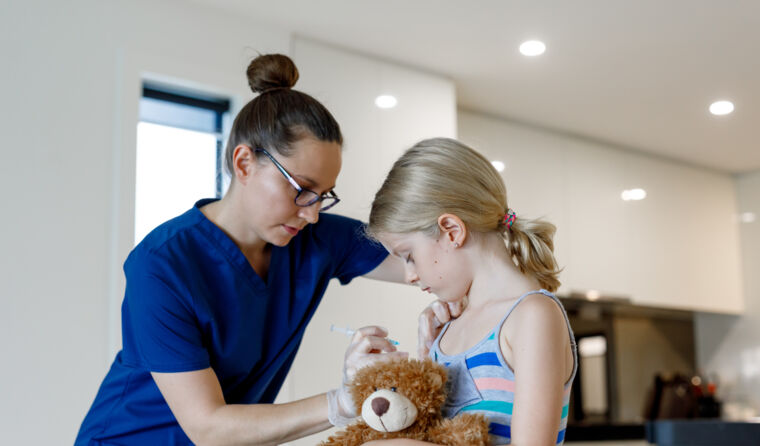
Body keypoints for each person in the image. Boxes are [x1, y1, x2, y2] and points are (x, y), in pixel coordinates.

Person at [75, 54, 463, 446]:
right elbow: (208, 427)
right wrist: (344, 400)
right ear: (244, 163)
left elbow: (436, 260)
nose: (311, 214)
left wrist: (446, 315)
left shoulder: (317, 238)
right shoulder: (161, 266)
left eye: (322, 196)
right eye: (301, 190)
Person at [365, 138, 578, 445]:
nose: (409, 276)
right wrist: (426, 361)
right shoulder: (447, 327)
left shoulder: (532, 315)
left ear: (452, 230)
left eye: (409, 256)